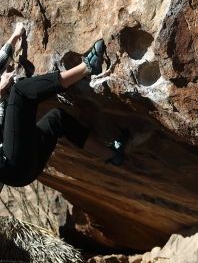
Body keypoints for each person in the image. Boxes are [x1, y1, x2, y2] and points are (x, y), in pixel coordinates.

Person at [0, 24, 124, 190]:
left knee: (57, 119)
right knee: (20, 92)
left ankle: (113, 155)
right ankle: (87, 67)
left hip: (23, 174)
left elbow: (1, 60)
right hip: (11, 165)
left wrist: (16, 35)